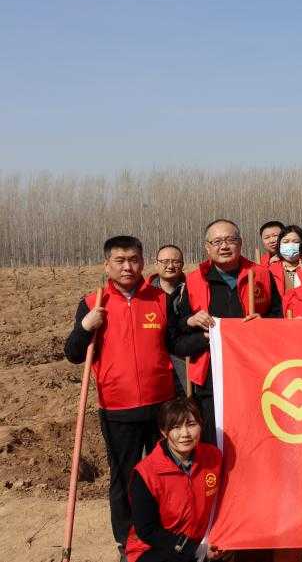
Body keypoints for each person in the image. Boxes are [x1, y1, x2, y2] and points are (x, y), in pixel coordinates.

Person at [64, 236, 176, 558]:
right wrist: (85, 326)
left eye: (134, 259)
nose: (128, 267)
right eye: (120, 260)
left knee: (164, 471)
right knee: (125, 476)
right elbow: (73, 353)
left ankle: (164, 531)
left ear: (143, 262)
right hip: (117, 407)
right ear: (107, 265)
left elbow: (177, 343)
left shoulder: (160, 299)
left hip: (161, 405)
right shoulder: (92, 302)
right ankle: (126, 540)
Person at [170, 219, 282, 444]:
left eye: (230, 240)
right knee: (215, 440)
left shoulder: (261, 275)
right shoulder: (194, 281)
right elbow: (178, 337)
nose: (224, 246)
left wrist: (263, 324)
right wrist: (198, 330)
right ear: (207, 247)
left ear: (240, 243)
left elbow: (280, 322)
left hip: (254, 375)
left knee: (253, 440)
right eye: (217, 241)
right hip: (210, 378)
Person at [125, 397, 225, 562]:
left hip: (204, 543)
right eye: (176, 427)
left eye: (191, 424)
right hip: (156, 549)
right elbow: (147, 531)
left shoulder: (214, 457)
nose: (185, 434)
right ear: (164, 432)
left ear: (201, 425)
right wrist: (194, 550)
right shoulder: (145, 474)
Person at [149, 244, 188, 396]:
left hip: (184, 362)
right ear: (156, 264)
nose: (170, 266)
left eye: (176, 262)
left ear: (182, 264)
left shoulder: (193, 289)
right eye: (165, 262)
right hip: (154, 362)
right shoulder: (144, 295)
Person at [270, 225, 302, 298]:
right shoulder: (271, 270)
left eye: (296, 242)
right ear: (279, 245)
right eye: (286, 242)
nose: (290, 245)